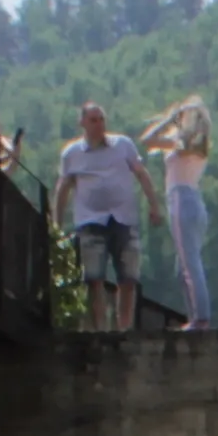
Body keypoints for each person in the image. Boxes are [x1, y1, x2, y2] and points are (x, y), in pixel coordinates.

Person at [52, 105, 150, 327]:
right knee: (94, 279)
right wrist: (57, 222)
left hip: (123, 219)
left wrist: (153, 204)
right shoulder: (72, 153)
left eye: (101, 119)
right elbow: (63, 188)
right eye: (93, 120)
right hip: (90, 221)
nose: (99, 124)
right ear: (82, 123)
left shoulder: (122, 145)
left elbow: (141, 173)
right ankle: (100, 330)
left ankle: (124, 329)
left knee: (128, 279)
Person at [146, 95, 217, 330]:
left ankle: (200, 318)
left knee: (190, 264)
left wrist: (169, 120)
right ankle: (195, 316)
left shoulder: (183, 143)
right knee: (184, 266)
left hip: (181, 199)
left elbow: (148, 140)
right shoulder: (199, 144)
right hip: (194, 201)